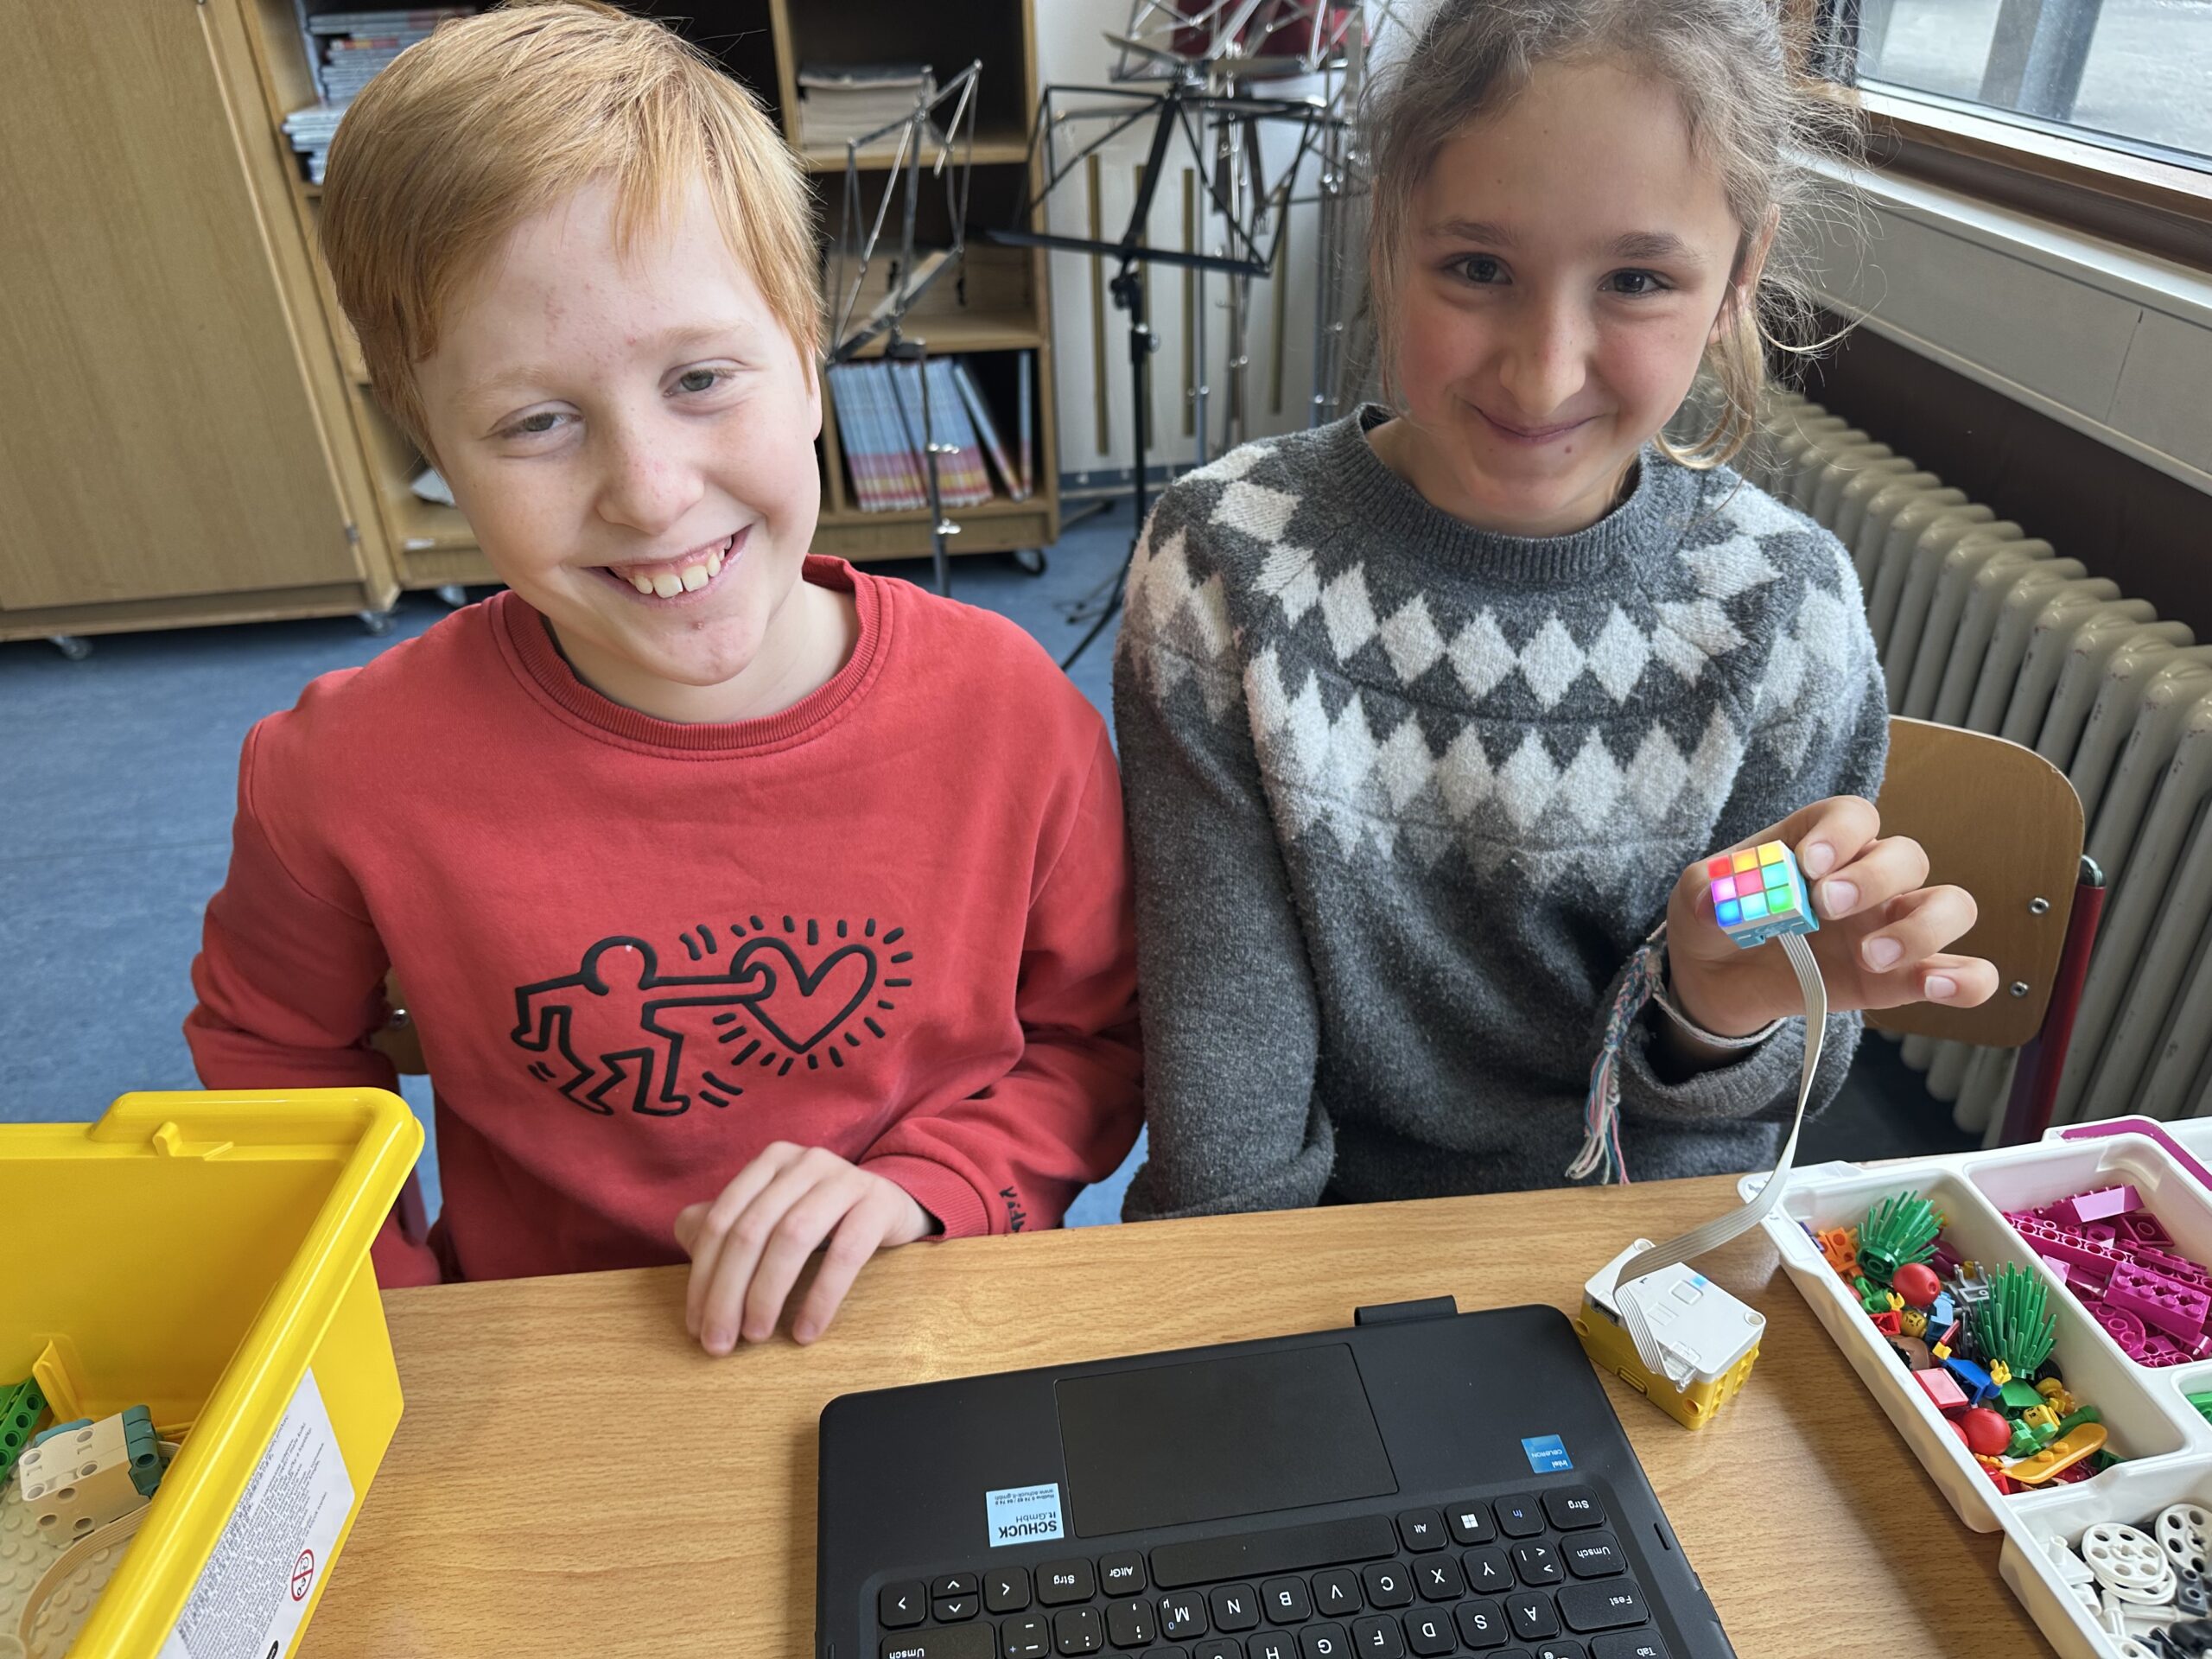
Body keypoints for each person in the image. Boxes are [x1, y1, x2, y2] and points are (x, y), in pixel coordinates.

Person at [187, 2, 1141, 1350]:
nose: (648, 492)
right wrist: (397, 1328)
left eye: (700, 379)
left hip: (925, 1321)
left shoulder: (1011, 712)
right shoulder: (339, 773)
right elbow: (273, 1063)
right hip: (551, 1362)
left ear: (808, 363)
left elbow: (1098, 1039)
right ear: (431, 444)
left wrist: (932, 1186)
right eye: (535, 422)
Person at [1114, 0, 1997, 1217]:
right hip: (1323, 1249)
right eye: (1479, 268)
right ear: (1390, 232)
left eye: (1636, 281)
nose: (1542, 374)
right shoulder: (1225, 561)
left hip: (1645, 1239)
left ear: (1738, 280)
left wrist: (1712, 1008)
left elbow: (1766, 1085)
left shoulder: (1784, 610)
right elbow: (1227, 1105)